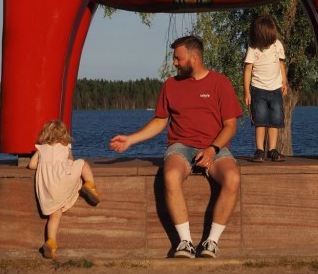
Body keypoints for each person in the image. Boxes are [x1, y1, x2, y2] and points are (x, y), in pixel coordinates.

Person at [109, 35, 242, 259]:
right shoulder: (170, 85)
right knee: (170, 175)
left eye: (178, 58)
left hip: (215, 148)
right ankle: (185, 242)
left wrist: (212, 150)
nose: (175, 63)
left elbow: (230, 125)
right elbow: (160, 120)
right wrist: (131, 139)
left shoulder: (221, 83)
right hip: (181, 147)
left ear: (194, 57)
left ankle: (211, 242)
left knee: (233, 179)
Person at [28, 119, 101, 260]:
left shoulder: (41, 148)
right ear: (64, 135)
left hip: (48, 188)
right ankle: (90, 184)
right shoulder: (65, 146)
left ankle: (51, 242)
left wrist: (45, 166)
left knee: (54, 216)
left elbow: (31, 165)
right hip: (62, 182)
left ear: (45, 134)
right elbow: (71, 162)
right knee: (82, 164)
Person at [243, 15, 289, 162]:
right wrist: (247, 91)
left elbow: (281, 64)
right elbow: (248, 70)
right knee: (260, 120)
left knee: (275, 120)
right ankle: (259, 150)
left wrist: (284, 81)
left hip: (275, 88)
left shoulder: (277, 45)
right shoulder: (253, 48)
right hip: (258, 89)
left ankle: (272, 150)